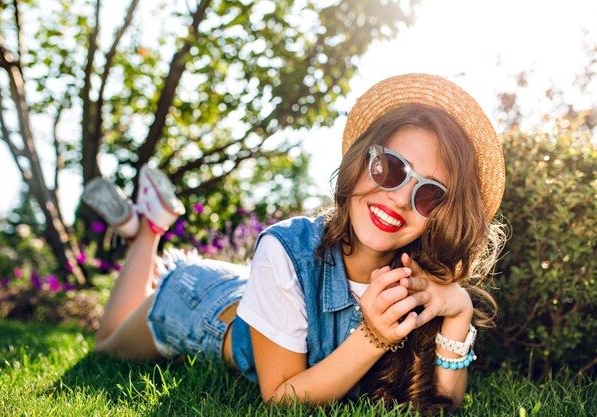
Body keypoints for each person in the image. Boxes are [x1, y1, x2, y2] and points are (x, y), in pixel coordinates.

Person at [82, 73, 506, 415]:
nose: (398, 197)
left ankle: (144, 226)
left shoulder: (420, 278)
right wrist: (372, 336)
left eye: (428, 193)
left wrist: (459, 311)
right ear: (361, 162)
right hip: (202, 308)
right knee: (106, 345)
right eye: (391, 168)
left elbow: (444, 402)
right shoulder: (286, 248)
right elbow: (282, 399)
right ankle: (150, 232)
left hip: (261, 291)